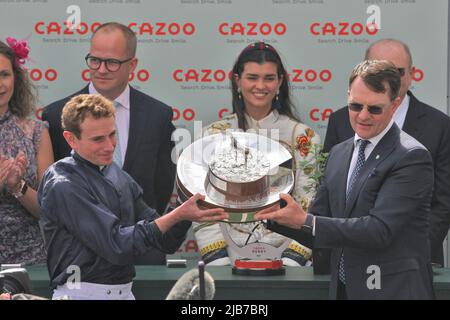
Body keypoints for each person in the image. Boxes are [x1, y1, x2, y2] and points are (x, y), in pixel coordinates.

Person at [255, 60, 435, 300]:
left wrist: (306, 219)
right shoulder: (339, 153)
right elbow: (319, 225)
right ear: (347, 97)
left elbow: (379, 230)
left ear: (395, 105)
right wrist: (273, 214)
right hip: (344, 291)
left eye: (374, 109)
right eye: (355, 105)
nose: (363, 116)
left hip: (394, 292)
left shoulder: (411, 156)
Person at [37, 94, 227, 300]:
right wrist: (177, 215)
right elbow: (116, 245)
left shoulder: (117, 174)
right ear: (70, 139)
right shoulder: (63, 183)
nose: (110, 146)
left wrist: (188, 208)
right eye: (98, 139)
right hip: (79, 295)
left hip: (125, 293)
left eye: (112, 134)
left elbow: (164, 241)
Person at [42, 22, 176, 265]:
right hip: (82, 261)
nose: (101, 69)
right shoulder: (56, 115)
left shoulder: (158, 115)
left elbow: (163, 183)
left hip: (145, 254)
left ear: (132, 65)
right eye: (95, 60)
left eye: (112, 62)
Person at [324, 39, 450, 267]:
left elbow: (443, 203)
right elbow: (329, 202)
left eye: (397, 71)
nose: (386, 76)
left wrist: (413, 254)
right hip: (347, 271)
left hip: (407, 268)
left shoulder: (439, 125)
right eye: (378, 68)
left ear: (411, 74)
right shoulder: (340, 121)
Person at [193, 42, 321, 267]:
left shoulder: (304, 137)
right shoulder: (213, 135)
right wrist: (217, 258)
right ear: (237, 80)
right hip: (228, 257)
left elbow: (309, 201)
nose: (260, 86)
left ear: (280, 82)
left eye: (269, 78)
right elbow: (203, 201)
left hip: (287, 256)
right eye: (252, 77)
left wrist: (295, 258)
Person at [0, 38, 53, 265]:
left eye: (4, 74)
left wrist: (17, 186)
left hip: (30, 261)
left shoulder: (36, 132)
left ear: (15, 78)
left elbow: (49, 209)